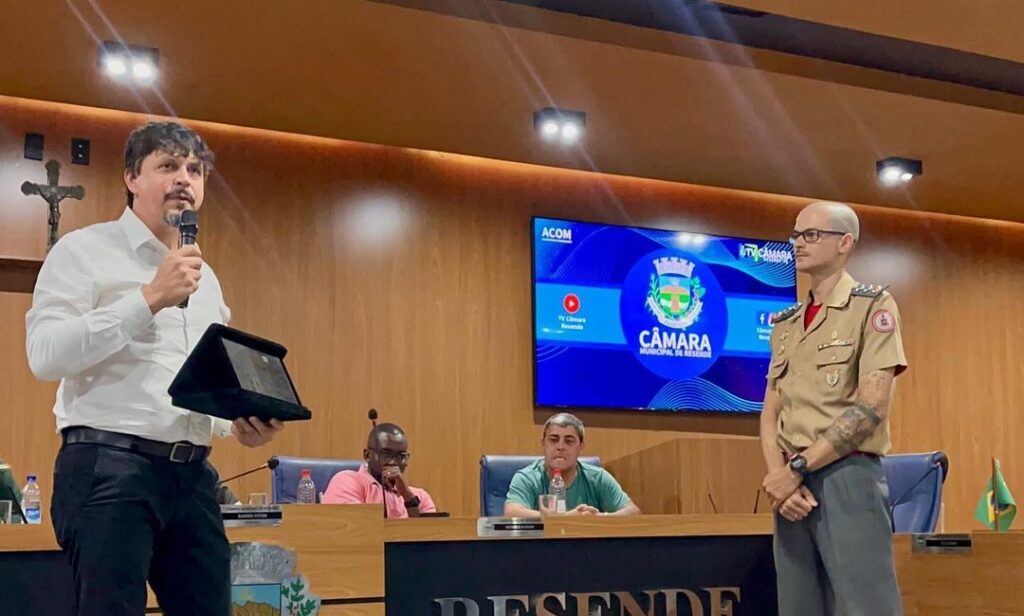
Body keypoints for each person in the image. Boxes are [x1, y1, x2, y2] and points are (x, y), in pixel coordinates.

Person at [25, 121, 284, 616]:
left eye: (195, 169)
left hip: (193, 476)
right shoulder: (82, 250)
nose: (184, 178)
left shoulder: (206, 280)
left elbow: (194, 385)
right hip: (108, 468)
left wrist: (236, 423)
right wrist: (149, 298)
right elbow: (44, 354)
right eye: (167, 165)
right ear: (131, 178)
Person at [759, 201, 907, 616]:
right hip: (791, 488)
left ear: (845, 243)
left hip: (847, 475)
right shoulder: (785, 323)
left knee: (866, 606)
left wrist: (796, 468)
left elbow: (871, 407)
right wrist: (780, 477)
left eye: (811, 235)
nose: (798, 244)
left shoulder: (872, 307)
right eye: (795, 235)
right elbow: (770, 413)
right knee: (798, 606)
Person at [504, 412, 640, 516]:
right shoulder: (527, 477)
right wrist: (567, 518)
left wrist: (600, 518)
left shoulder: (597, 477)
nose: (560, 447)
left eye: (569, 441)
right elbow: (511, 513)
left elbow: (633, 512)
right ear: (543, 444)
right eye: (554, 440)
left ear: (581, 446)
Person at [322, 423, 437, 518]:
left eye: (401, 456)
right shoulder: (347, 481)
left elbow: (429, 534)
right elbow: (355, 529)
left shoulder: (420, 496)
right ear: (367, 455)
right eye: (386, 454)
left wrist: (407, 495)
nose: (393, 462)